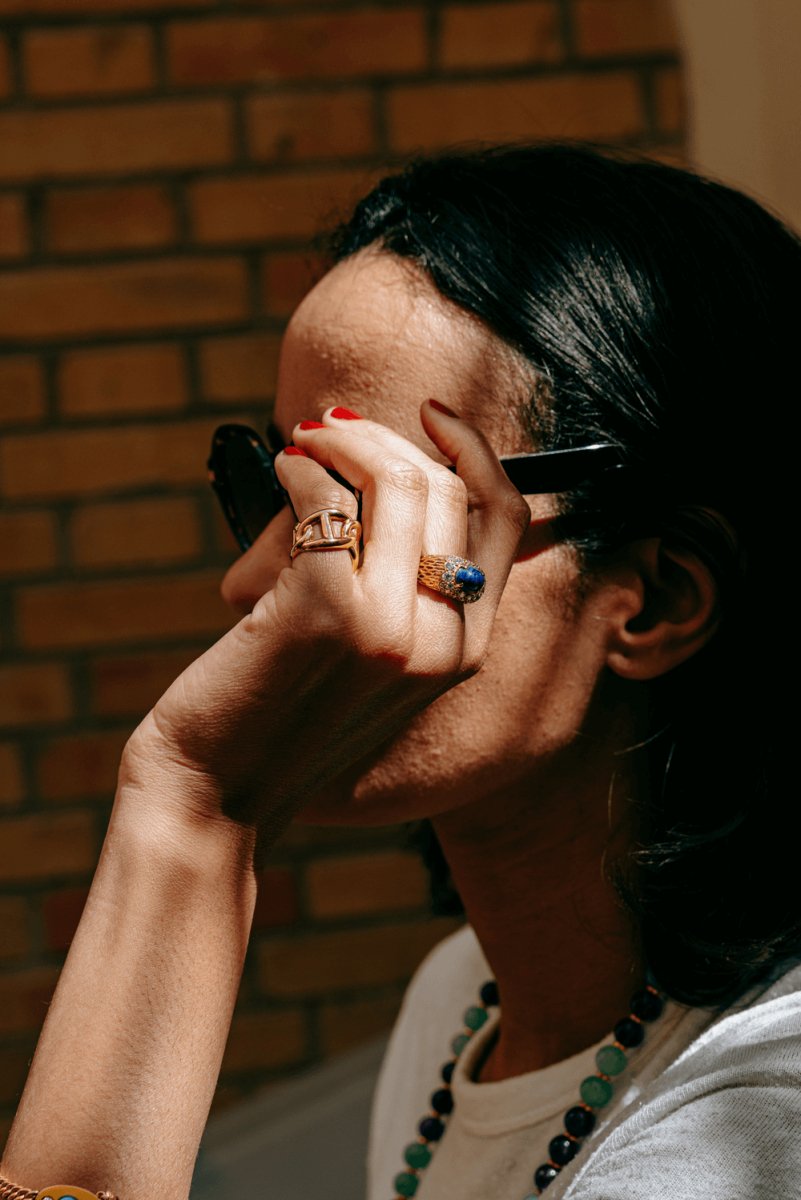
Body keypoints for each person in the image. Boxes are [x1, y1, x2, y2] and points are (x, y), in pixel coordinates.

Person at [1, 142, 800, 1200]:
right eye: (267, 487)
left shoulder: (752, 1124)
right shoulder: (459, 999)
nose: (252, 584)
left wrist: (193, 812)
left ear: (652, 601)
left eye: (357, 510)